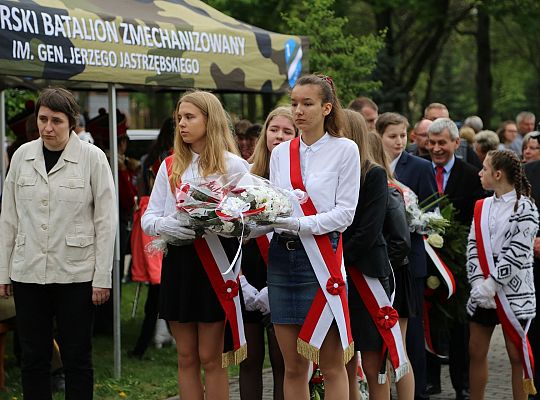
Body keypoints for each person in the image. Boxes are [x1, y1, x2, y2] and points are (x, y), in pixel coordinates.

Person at [0, 87, 117, 399]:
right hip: (28, 272)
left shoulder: (93, 158)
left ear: (72, 123)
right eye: (42, 119)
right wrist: (3, 273)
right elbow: (8, 219)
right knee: (33, 358)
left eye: (56, 121)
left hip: (76, 275)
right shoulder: (22, 156)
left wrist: (102, 277)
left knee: (77, 357)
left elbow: (106, 221)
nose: (47, 128)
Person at [141, 90, 249, 399]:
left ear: (210, 120)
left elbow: (250, 221)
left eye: (190, 117)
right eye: (179, 119)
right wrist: (171, 225)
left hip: (216, 265)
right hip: (180, 263)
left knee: (211, 358)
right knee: (186, 357)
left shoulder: (234, 166)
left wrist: (221, 219)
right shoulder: (170, 166)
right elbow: (149, 219)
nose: (182, 125)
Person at [267, 74, 360, 399]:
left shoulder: (345, 150)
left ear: (326, 108)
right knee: (293, 366)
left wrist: (298, 225)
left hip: (322, 258)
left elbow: (345, 214)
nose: (298, 111)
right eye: (294, 103)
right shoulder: (280, 154)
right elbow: (275, 206)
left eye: (307, 103)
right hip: (282, 258)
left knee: (331, 363)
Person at [342, 109, 412, 400]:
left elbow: (368, 232)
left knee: (373, 366)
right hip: (337, 277)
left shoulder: (373, 174)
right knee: (342, 362)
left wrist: (333, 258)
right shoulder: (328, 172)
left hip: (365, 274)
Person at [467, 150, 538, 400]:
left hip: (514, 289)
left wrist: (493, 284)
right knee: (475, 350)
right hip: (483, 287)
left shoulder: (526, 207)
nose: (480, 172)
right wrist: (478, 283)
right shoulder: (481, 206)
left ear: (497, 174)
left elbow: (518, 252)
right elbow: (473, 245)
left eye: (484, 169)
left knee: (516, 354)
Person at [376, 112, 437, 400]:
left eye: (402, 135)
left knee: (410, 339)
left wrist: (416, 220)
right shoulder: (371, 167)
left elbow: (431, 210)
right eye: (392, 136)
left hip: (407, 261)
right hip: (379, 263)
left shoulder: (420, 167)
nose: (399, 141)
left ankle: (418, 392)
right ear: (379, 137)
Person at [425, 117, 486, 400]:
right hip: (426, 257)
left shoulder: (472, 174)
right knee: (428, 320)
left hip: (459, 262)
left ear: (456, 143)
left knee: (458, 324)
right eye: (432, 143)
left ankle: (461, 383)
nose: (436, 148)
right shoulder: (420, 170)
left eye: (442, 143)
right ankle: (430, 380)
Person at [239, 106, 296, 400]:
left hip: (285, 273)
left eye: (288, 131)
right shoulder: (245, 173)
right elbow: (234, 227)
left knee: (282, 360)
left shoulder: (301, 175)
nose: (279, 136)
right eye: (274, 130)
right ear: (265, 134)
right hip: (248, 274)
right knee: (248, 360)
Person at [369, 130, 417, 400]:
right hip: (380, 274)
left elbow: (400, 241)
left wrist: (383, 268)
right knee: (379, 353)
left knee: (396, 349)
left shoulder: (392, 190)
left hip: (393, 275)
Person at [129, 117, 175, 359]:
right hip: (162, 224)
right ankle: (150, 340)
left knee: (157, 290)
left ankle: (150, 340)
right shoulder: (171, 160)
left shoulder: (151, 158)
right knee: (160, 289)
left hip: (148, 223)